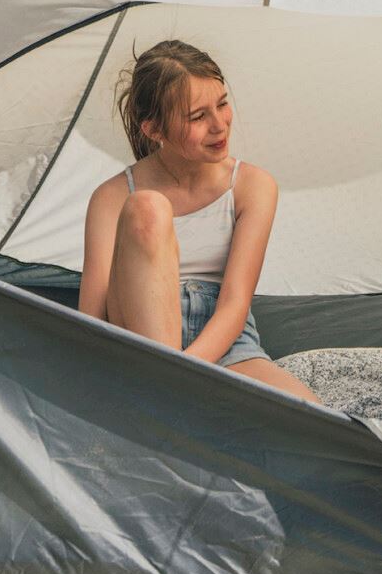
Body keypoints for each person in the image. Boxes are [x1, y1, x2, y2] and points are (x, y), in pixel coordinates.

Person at [78, 39, 320, 404]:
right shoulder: (112, 197)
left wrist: (185, 371)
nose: (218, 125)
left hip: (224, 339)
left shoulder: (252, 186)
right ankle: (164, 397)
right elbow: (92, 319)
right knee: (147, 208)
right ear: (154, 130)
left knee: (312, 418)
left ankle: (168, 396)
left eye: (222, 104)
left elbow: (235, 304)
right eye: (197, 117)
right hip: (138, 340)